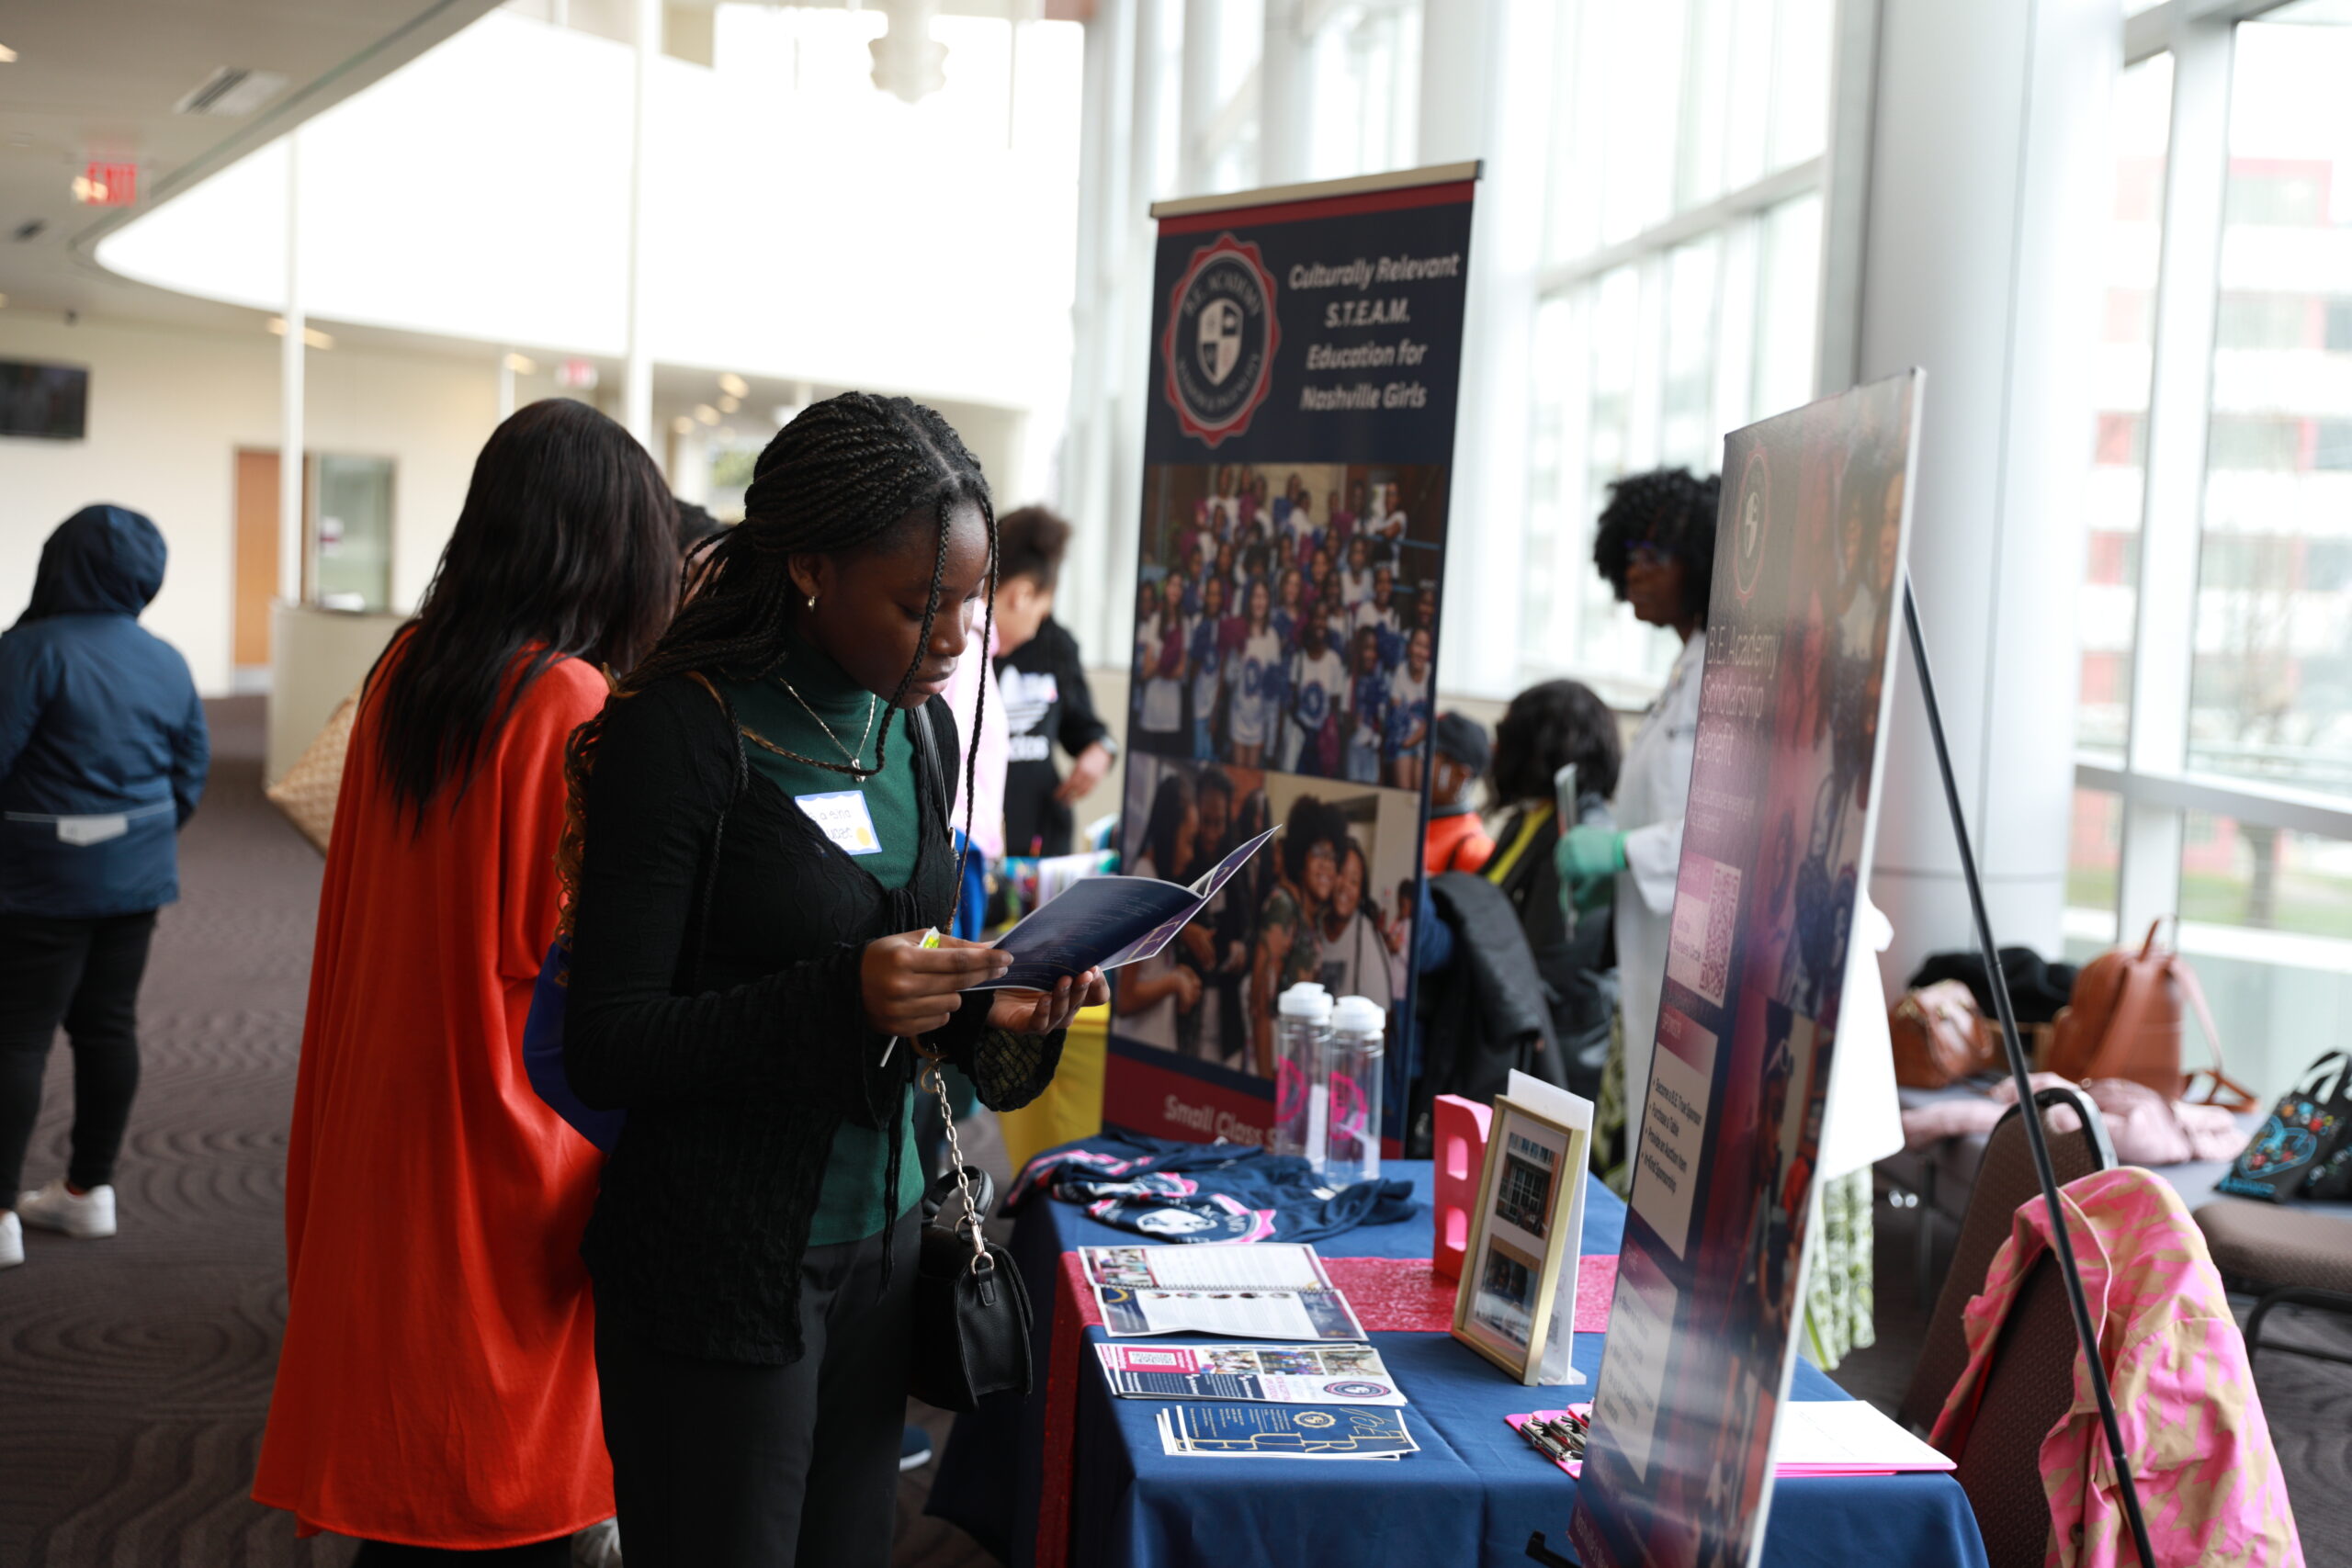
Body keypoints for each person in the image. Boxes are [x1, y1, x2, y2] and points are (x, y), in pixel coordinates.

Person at [558, 392, 1102, 1568]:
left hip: (888, 1240)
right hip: (720, 1255)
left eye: (966, 603)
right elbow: (609, 1041)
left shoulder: (914, 732)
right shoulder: (682, 733)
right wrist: (837, 996)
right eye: (922, 606)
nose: (956, 639)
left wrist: (990, 1006)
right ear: (808, 565)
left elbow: (908, 1005)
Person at [254, 400, 676, 1560]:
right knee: (514, 1488)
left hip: (381, 1116)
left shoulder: (406, 670)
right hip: (499, 1141)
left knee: (407, 1473)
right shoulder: (567, 703)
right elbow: (581, 960)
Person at [0, 505, 209, 1271]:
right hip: (135, 879)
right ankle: (89, 1192)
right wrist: (132, 841)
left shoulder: (27, 651)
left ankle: (0, 1216)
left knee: (17, 1036)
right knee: (108, 1027)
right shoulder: (168, 659)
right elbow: (189, 774)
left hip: (37, 882)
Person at [1557, 468, 1718, 1147]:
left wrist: (1626, 852)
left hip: (1719, 983)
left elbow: (1740, 832)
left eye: (1654, 556)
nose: (1634, 573)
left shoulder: (1736, 672)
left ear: (1703, 558)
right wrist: (1618, 862)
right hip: (1662, 973)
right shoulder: (1688, 668)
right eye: (1629, 556)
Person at [1484, 678, 1624, 1101]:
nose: (1496, 749)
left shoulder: (1582, 840)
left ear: (1540, 745)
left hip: (1555, 1067)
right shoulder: (1525, 822)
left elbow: (1549, 968)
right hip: (1512, 1046)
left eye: (1506, 734)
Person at [991, 507, 1115, 860]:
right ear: (1021, 594)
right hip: (977, 845)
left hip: (1040, 842)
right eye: (1039, 610)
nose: (1035, 624)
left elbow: (1086, 728)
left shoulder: (1055, 645)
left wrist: (1101, 749)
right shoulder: (962, 650)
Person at [1249, 796, 1348, 1075]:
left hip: (1295, 1061)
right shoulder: (1283, 906)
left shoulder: (1310, 917)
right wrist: (1264, 1083)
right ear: (1300, 856)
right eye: (1319, 854)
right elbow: (1258, 1003)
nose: (1327, 866)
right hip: (1270, 1060)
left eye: (1333, 857)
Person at [1117, 771, 1204, 1052]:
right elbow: (1125, 998)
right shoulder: (1145, 887)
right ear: (1169, 831)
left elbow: (1146, 972)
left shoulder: (1155, 881)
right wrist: (1173, 982)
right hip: (1137, 1052)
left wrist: (1176, 974)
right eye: (1189, 841)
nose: (1191, 855)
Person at [1316, 838, 1393, 1012]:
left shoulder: (1368, 939)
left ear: (1361, 894)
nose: (1345, 887)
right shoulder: (1314, 927)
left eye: (1354, 882)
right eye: (1341, 874)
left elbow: (1382, 1019)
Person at [1422, 712, 1495, 875]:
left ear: (1460, 775)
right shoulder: (1410, 819)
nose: (1414, 762)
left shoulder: (1473, 849)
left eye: (1426, 754)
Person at [1227, 578, 1284, 772]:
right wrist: (1237, 655)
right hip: (1238, 717)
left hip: (1259, 722)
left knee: (1252, 778)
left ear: (1269, 602)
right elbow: (1229, 678)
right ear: (1248, 600)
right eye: (1255, 597)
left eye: (1264, 597)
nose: (1259, 602)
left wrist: (1270, 742)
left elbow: (1273, 694)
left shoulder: (1272, 637)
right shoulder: (1240, 630)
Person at [1385, 626, 1433, 792]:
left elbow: (1431, 721)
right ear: (1409, 648)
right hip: (1403, 739)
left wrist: (1413, 740)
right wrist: (1406, 742)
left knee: (1420, 790)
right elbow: (1396, 714)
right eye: (1417, 645)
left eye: (1425, 647)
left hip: (1425, 741)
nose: (1420, 652)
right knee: (1404, 793)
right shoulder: (1400, 672)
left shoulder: (1431, 674)